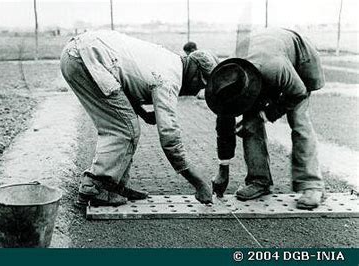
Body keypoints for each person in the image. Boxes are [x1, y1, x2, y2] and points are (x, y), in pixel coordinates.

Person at [60, 30, 218, 206]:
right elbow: (169, 137)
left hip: (77, 54)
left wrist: (142, 113)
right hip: (87, 59)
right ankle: (95, 185)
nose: (197, 91)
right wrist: (198, 183)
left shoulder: (169, 59)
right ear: (194, 72)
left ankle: (112, 186)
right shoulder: (169, 79)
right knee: (124, 129)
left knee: (126, 123)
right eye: (201, 84)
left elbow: (126, 82)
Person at [205, 28, 325, 210]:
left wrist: (264, 115)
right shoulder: (226, 79)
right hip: (262, 60)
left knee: (299, 121)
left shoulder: (274, 68)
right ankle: (259, 181)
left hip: (299, 59)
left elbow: (298, 93)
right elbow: (224, 127)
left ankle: (312, 185)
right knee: (249, 125)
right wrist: (224, 168)